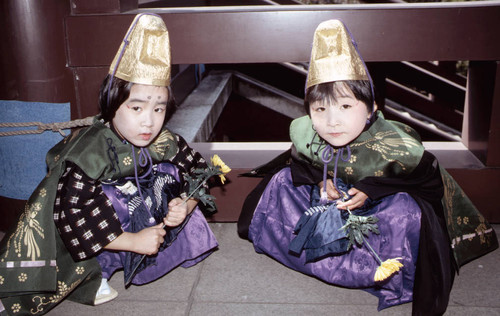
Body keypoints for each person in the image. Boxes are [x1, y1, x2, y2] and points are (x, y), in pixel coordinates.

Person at [237, 19, 498, 315]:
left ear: (371, 108)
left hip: (377, 209)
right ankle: (316, 256)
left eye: (346, 106)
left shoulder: (393, 142)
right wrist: (322, 182)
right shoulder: (308, 132)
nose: (332, 121)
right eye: (320, 109)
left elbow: (429, 182)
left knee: (406, 211)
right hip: (329, 202)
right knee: (282, 181)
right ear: (308, 111)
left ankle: (372, 272)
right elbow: (299, 162)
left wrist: (372, 188)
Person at [0, 13, 218, 315]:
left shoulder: (164, 139)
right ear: (113, 101)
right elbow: (70, 213)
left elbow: (198, 171)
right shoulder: (92, 149)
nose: (149, 121)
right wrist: (133, 241)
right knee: (110, 195)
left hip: (142, 221)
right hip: (100, 235)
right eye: (137, 107)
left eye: (159, 108)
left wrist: (187, 203)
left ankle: (154, 252)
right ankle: (97, 272)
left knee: (170, 173)